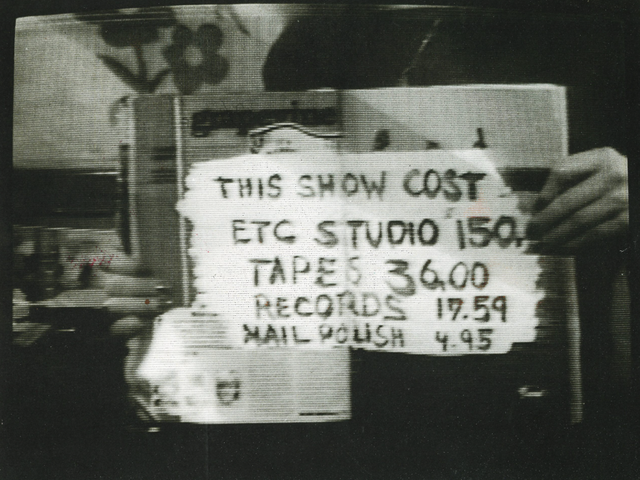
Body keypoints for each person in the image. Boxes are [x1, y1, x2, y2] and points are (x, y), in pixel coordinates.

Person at [104, 7, 630, 426]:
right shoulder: (314, 40)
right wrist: (167, 302)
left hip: (537, 412)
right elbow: (278, 233)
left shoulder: (601, 24)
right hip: (352, 417)